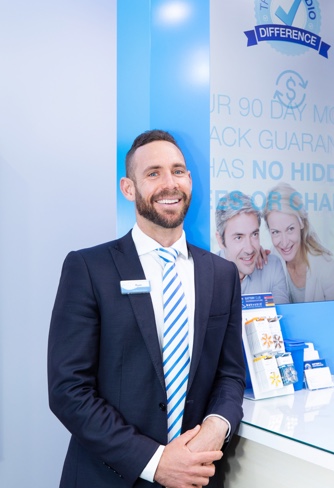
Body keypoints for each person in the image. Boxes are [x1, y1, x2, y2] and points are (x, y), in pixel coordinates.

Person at [48, 129, 245, 488]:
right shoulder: (89, 268)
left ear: (189, 180)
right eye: (153, 173)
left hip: (197, 475)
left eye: (178, 171)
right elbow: (68, 390)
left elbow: (230, 374)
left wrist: (217, 427)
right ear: (128, 188)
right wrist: (155, 462)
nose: (170, 183)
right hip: (108, 477)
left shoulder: (222, 274)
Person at [263, 182, 334, 303]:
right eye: (276, 232)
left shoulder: (328, 269)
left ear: (301, 223)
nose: (284, 242)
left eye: (290, 229)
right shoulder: (270, 261)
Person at [215, 191, 289, 305]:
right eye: (239, 237)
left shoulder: (272, 267)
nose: (249, 249)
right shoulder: (205, 276)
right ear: (220, 240)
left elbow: (281, 313)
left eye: (254, 235)